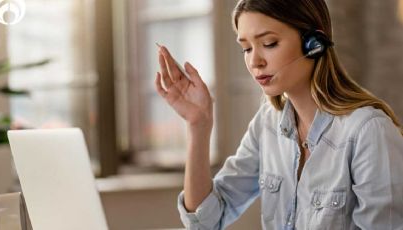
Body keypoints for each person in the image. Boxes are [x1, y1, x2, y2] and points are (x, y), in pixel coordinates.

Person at [154, 0, 403, 229]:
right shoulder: (268, 123)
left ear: (314, 43)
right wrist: (198, 125)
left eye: (269, 43)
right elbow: (205, 219)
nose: (255, 61)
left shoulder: (368, 131)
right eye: (246, 48)